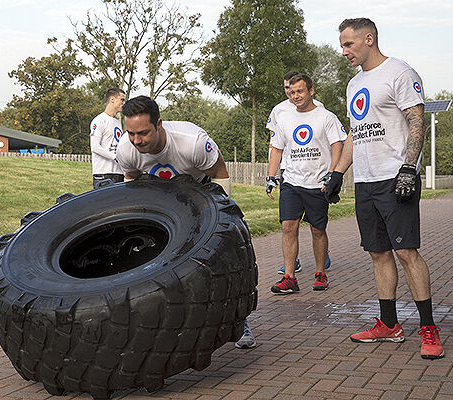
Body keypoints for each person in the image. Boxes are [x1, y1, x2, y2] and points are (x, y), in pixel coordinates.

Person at [324, 17, 443, 359]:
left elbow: (416, 121)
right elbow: (354, 133)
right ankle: (389, 325)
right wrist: (337, 173)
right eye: (342, 45)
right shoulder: (353, 85)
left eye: (348, 44)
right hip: (365, 180)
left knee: (406, 252)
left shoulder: (400, 73)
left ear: (369, 39)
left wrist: (409, 168)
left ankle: (428, 328)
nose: (344, 51)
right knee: (378, 253)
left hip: (395, 176)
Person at [116, 95, 256, 349]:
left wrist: (220, 224)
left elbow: (219, 174)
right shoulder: (126, 150)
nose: (137, 141)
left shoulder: (192, 143)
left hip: (203, 198)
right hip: (162, 205)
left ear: (159, 124)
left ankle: (240, 320)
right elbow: (131, 180)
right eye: (131, 133)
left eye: (143, 133)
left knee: (225, 257)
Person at [266, 74, 346, 294]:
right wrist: (271, 176)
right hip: (291, 181)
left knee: (318, 229)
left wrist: (332, 174)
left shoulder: (326, 117)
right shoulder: (284, 119)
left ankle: (320, 273)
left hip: (317, 182)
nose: (295, 96)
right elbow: (277, 149)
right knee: (288, 227)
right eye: (291, 92)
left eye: (300, 91)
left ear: (311, 91)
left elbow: (337, 145)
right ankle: (289, 278)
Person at [90, 88, 126, 188]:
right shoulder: (99, 120)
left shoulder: (118, 123)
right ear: (112, 99)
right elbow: (95, 147)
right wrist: (114, 157)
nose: (124, 103)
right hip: (103, 173)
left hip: (118, 173)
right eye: (122, 100)